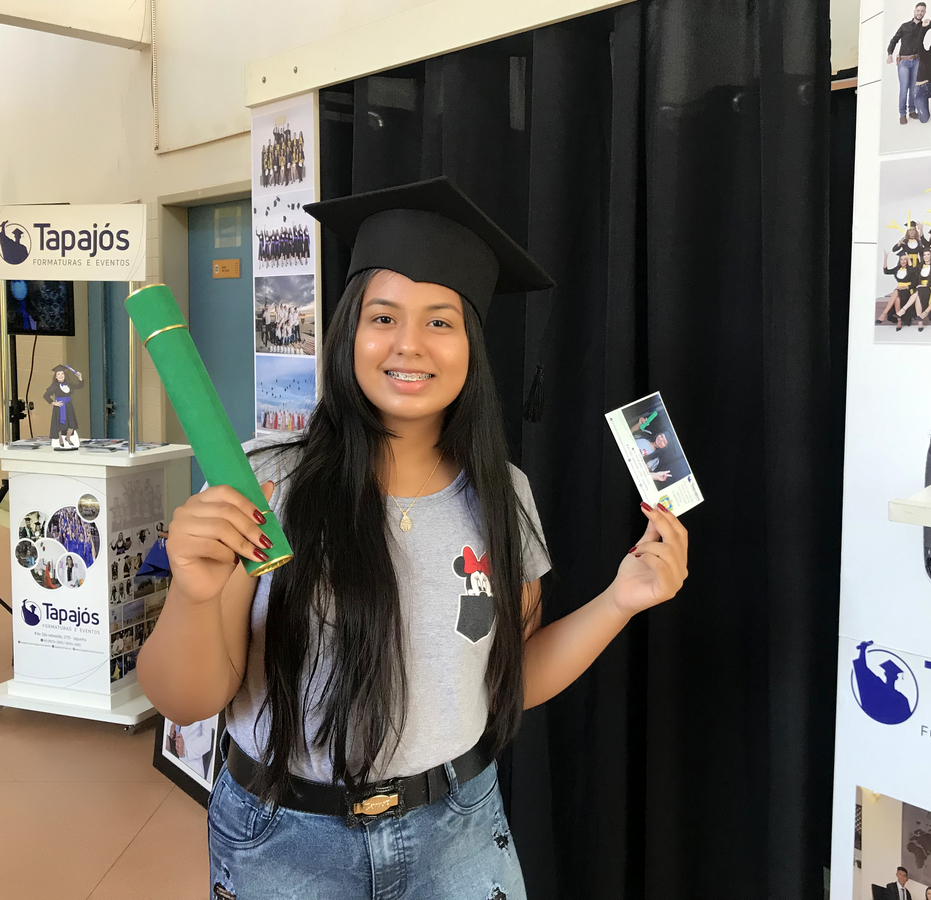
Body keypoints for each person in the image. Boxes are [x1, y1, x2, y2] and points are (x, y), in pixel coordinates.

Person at [136, 177, 690, 900]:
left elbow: (511, 679)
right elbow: (186, 700)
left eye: (440, 322)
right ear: (349, 332)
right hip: (284, 841)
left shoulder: (502, 495)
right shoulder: (267, 485)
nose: (409, 345)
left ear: (471, 347)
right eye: (383, 317)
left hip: (457, 834)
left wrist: (621, 599)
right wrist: (193, 594)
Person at [887, 2, 931, 124]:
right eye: (918, 10)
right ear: (914, 11)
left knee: (914, 87)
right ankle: (902, 114)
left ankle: (912, 110)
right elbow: (894, 40)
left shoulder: (924, 25)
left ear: (925, 13)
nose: (920, 13)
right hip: (904, 62)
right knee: (904, 88)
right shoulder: (904, 26)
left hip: (917, 61)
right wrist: (890, 53)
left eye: (922, 11)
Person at [43, 364, 84, 451]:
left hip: (68, 406)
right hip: (60, 407)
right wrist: (53, 403)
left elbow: (79, 386)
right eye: (58, 374)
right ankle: (60, 439)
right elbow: (46, 395)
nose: (61, 376)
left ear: (65, 375)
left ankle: (68, 438)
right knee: (60, 425)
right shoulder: (54, 386)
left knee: (71, 424)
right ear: (56, 376)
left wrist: (80, 377)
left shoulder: (68, 384)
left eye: (62, 374)